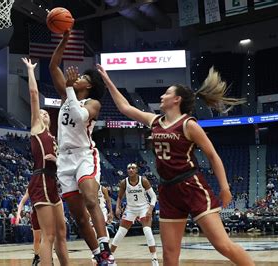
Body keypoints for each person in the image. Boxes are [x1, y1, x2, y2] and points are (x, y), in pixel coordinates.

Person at [96, 65, 254, 266]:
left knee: (222, 244)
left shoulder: (189, 125)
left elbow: (213, 156)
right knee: (169, 256)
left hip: (191, 186)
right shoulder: (155, 121)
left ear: (177, 100)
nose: (162, 96)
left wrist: (224, 187)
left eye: (167, 93)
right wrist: (108, 82)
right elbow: (126, 108)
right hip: (168, 190)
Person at [49, 31, 114, 265]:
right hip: (63, 160)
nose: (79, 78)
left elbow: (78, 117)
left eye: (84, 77)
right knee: (78, 217)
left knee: (90, 199)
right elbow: (53, 65)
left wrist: (68, 89)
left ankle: (106, 246)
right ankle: (100, 256)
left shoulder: (92, 103)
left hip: (84, 155)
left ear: (90, 85)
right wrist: (64, 42)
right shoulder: (68, 95)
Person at [22, 57, 69, 266]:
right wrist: (31, 71)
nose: (42, 114)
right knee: (48, 235)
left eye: (45, 113)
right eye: (39, 113)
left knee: (61, 233)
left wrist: (57, 159)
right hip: (40, 179)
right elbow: (33, 96)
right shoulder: (37, 128)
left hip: (52, 182)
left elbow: (61, 161)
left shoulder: (53, 137)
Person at [110, 163, 158, 266]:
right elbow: (119, 197)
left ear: (136, 170)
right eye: (129, 168)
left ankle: (154, 258)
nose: (131, 170)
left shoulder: (143, 180)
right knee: (121, 232)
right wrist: (118, 207)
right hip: (130, 209)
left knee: (147, 231)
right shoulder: (124, 182)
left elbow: (153, 196)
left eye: (133, 168)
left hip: (143, 208)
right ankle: (110, 256)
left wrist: (150, 209)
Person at [16, 191, 41, 266]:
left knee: (47, 238)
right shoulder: (32, 185)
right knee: (37, 238)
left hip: (46, 212)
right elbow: (22, 201)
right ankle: (36, 257)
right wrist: (18, 214)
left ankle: (49, 258)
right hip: (36, 213)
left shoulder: (47, 182)